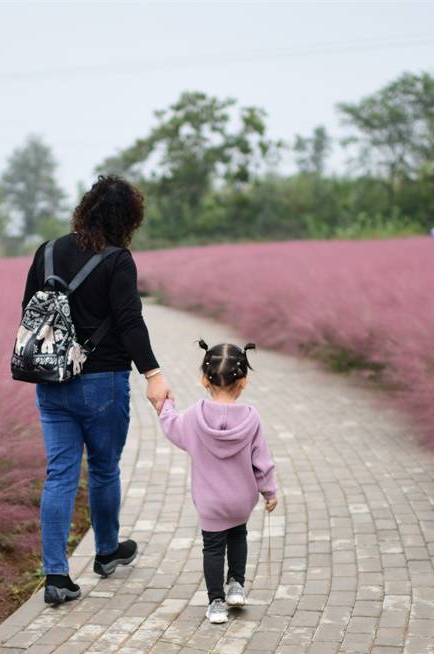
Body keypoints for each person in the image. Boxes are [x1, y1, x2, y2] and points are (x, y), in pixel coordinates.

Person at [22, 175, 173, 606]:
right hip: (102, 382)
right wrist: (153, 374)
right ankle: (106, 552)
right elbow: (129, 323)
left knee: (60, 475)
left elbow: (29, 314)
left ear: (85, 208)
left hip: (51, 382)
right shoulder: (118, 260)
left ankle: (56, 576)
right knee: (104, 469)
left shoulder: (47, 252)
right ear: (126, 219)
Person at [158, 340, 278, 624]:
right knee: (238, 536)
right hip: (241, 499)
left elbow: (172, 428)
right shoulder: (251, 418)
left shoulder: (193, 417)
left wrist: (166, 405)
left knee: (212, 548)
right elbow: (262, 459)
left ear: (203, 379)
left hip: (210, 502)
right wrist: (269, 491)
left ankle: (216, 603)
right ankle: (236, 585)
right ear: (244, 381)